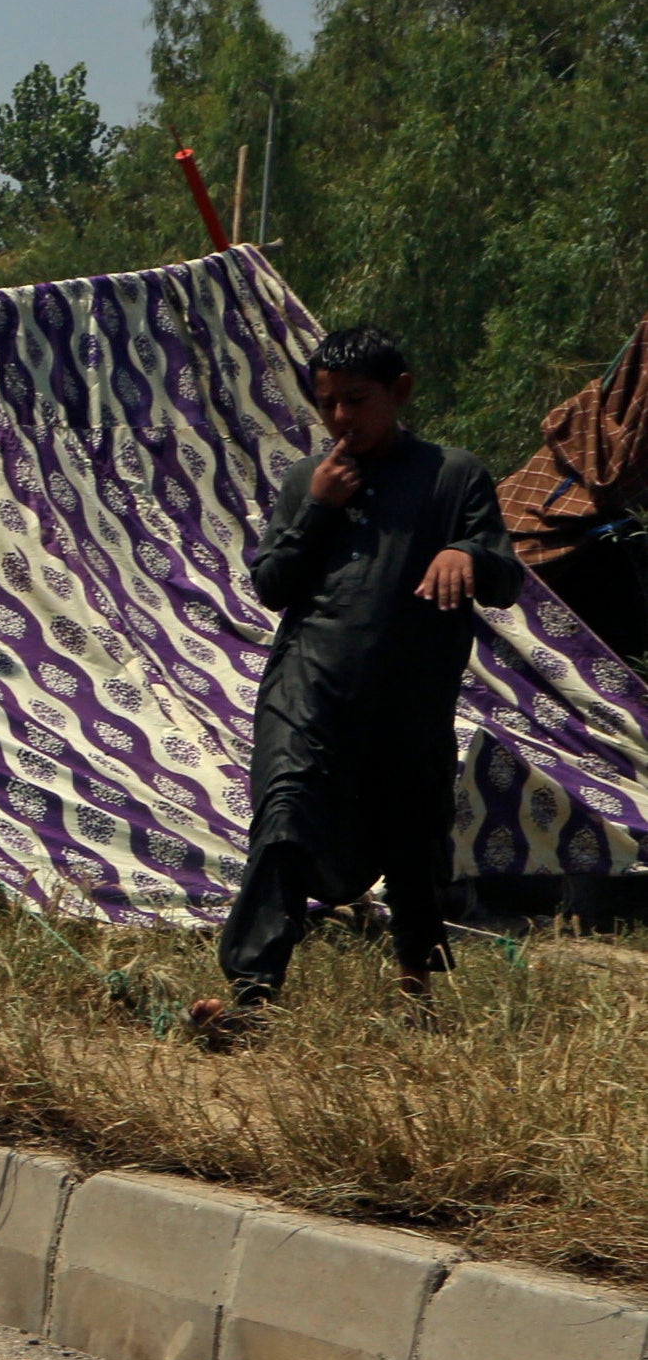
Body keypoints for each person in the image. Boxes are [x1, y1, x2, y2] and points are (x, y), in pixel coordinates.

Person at [195, 325, 522, 1040]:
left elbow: (505, 575)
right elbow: (271, 584)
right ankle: (251, 996)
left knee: (411, 844)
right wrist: (317, 506)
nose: (341, 418)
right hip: (306, 691)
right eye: (327, 404)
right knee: (283, 822)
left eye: (356, 400)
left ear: (400, 392)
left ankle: (416, 993)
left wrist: (464, 552)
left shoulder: (451, 476)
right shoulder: (308, 479)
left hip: (407, 704)